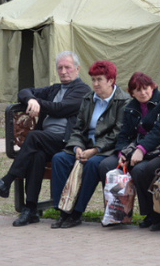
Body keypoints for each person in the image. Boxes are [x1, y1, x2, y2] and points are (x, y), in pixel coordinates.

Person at [0, 51, 90, 227]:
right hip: (45, 141)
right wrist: (31, 99)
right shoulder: (54, 89)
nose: (63, 71)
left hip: (66, 142)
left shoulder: (83, 91)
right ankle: (30, 209)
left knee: (33, 136)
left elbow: (60, 109)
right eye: (59, 67)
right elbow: (23, 91)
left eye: (67, 67)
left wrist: (38, 102)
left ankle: (6, 182)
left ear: (77, 68)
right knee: (36, 154)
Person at [50, 60, 129, 229]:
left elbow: (118, 133)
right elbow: (77, 128)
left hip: (106, 150)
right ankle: (63, 210)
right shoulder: (88, 99)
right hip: (85, 147)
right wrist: (77, 147)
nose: (95, 84)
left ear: (110, 80)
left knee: (93, 165)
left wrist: (94, 150)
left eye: (99, 79)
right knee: (59, 159)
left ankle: (77, 212)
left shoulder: (123, 101)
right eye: (93, 79)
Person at [96, 72, 160, 231]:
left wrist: (141, 149)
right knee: (106, 165)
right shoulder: (131, 106)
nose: (143, 93)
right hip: (134, 148)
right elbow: (124, 133)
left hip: (158, 148)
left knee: (141, 170)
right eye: (138, 90)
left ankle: (153, 213)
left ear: (152, 87)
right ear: (131, 92)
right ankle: (116, 211)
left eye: (146, 88)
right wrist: (122, 154)